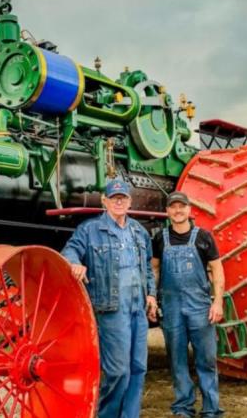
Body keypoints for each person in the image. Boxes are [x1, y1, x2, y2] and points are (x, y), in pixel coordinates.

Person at [61, 179, 158, 418]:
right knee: (118, 371)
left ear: (130, 202)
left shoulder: (138, 231)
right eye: (114, 198)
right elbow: (70, 250)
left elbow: (146, 265)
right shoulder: (90, 229)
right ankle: (107, 414)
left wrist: (152, 295)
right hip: (111, 309)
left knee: (138, 368)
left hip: (138, 307)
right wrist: (75, 263)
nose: (119, 202)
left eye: (123, 198)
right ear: (104, 201)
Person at [152, 191, 225, 418]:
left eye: (181, 207)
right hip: (171, 308)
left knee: (206, 360)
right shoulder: (160, 239)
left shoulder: (204, 237)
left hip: (200, 308)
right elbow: (154, 268)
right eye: (173, 207)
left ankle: (211, 409)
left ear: (189, 210)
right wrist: (152, 297)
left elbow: (217, 270)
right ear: (167, 212)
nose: (177, 211)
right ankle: (183, 407)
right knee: (177, 360)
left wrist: (217, 303)